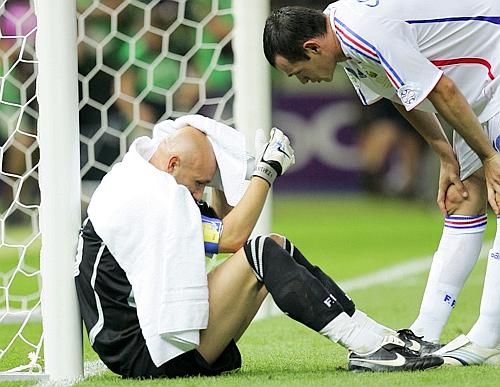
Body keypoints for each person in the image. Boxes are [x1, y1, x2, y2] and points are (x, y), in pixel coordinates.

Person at [74, 117, 442, 378]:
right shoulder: (146, 198)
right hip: (145, 353)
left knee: (275, 246)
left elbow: (220, 227)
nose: (201, 192)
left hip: (150, 338)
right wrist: (267, 171)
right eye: (201, 182)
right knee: (262, 253)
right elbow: (233, 239)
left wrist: (222, 180)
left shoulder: (153, 183)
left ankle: (377, 338)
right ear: (172, 163)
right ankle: (367, 347)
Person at [263, 0, 500, 365]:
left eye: (297, 71)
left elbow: (444, 91)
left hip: (492, 67)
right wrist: (445, 156)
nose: (302, 80)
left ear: (312, 48)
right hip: (482, 88)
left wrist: (489, 157)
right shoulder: (344, 44)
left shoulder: (363, 32)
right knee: (462, 196)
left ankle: (487, 336)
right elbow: (405, 96)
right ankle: (424, 334)